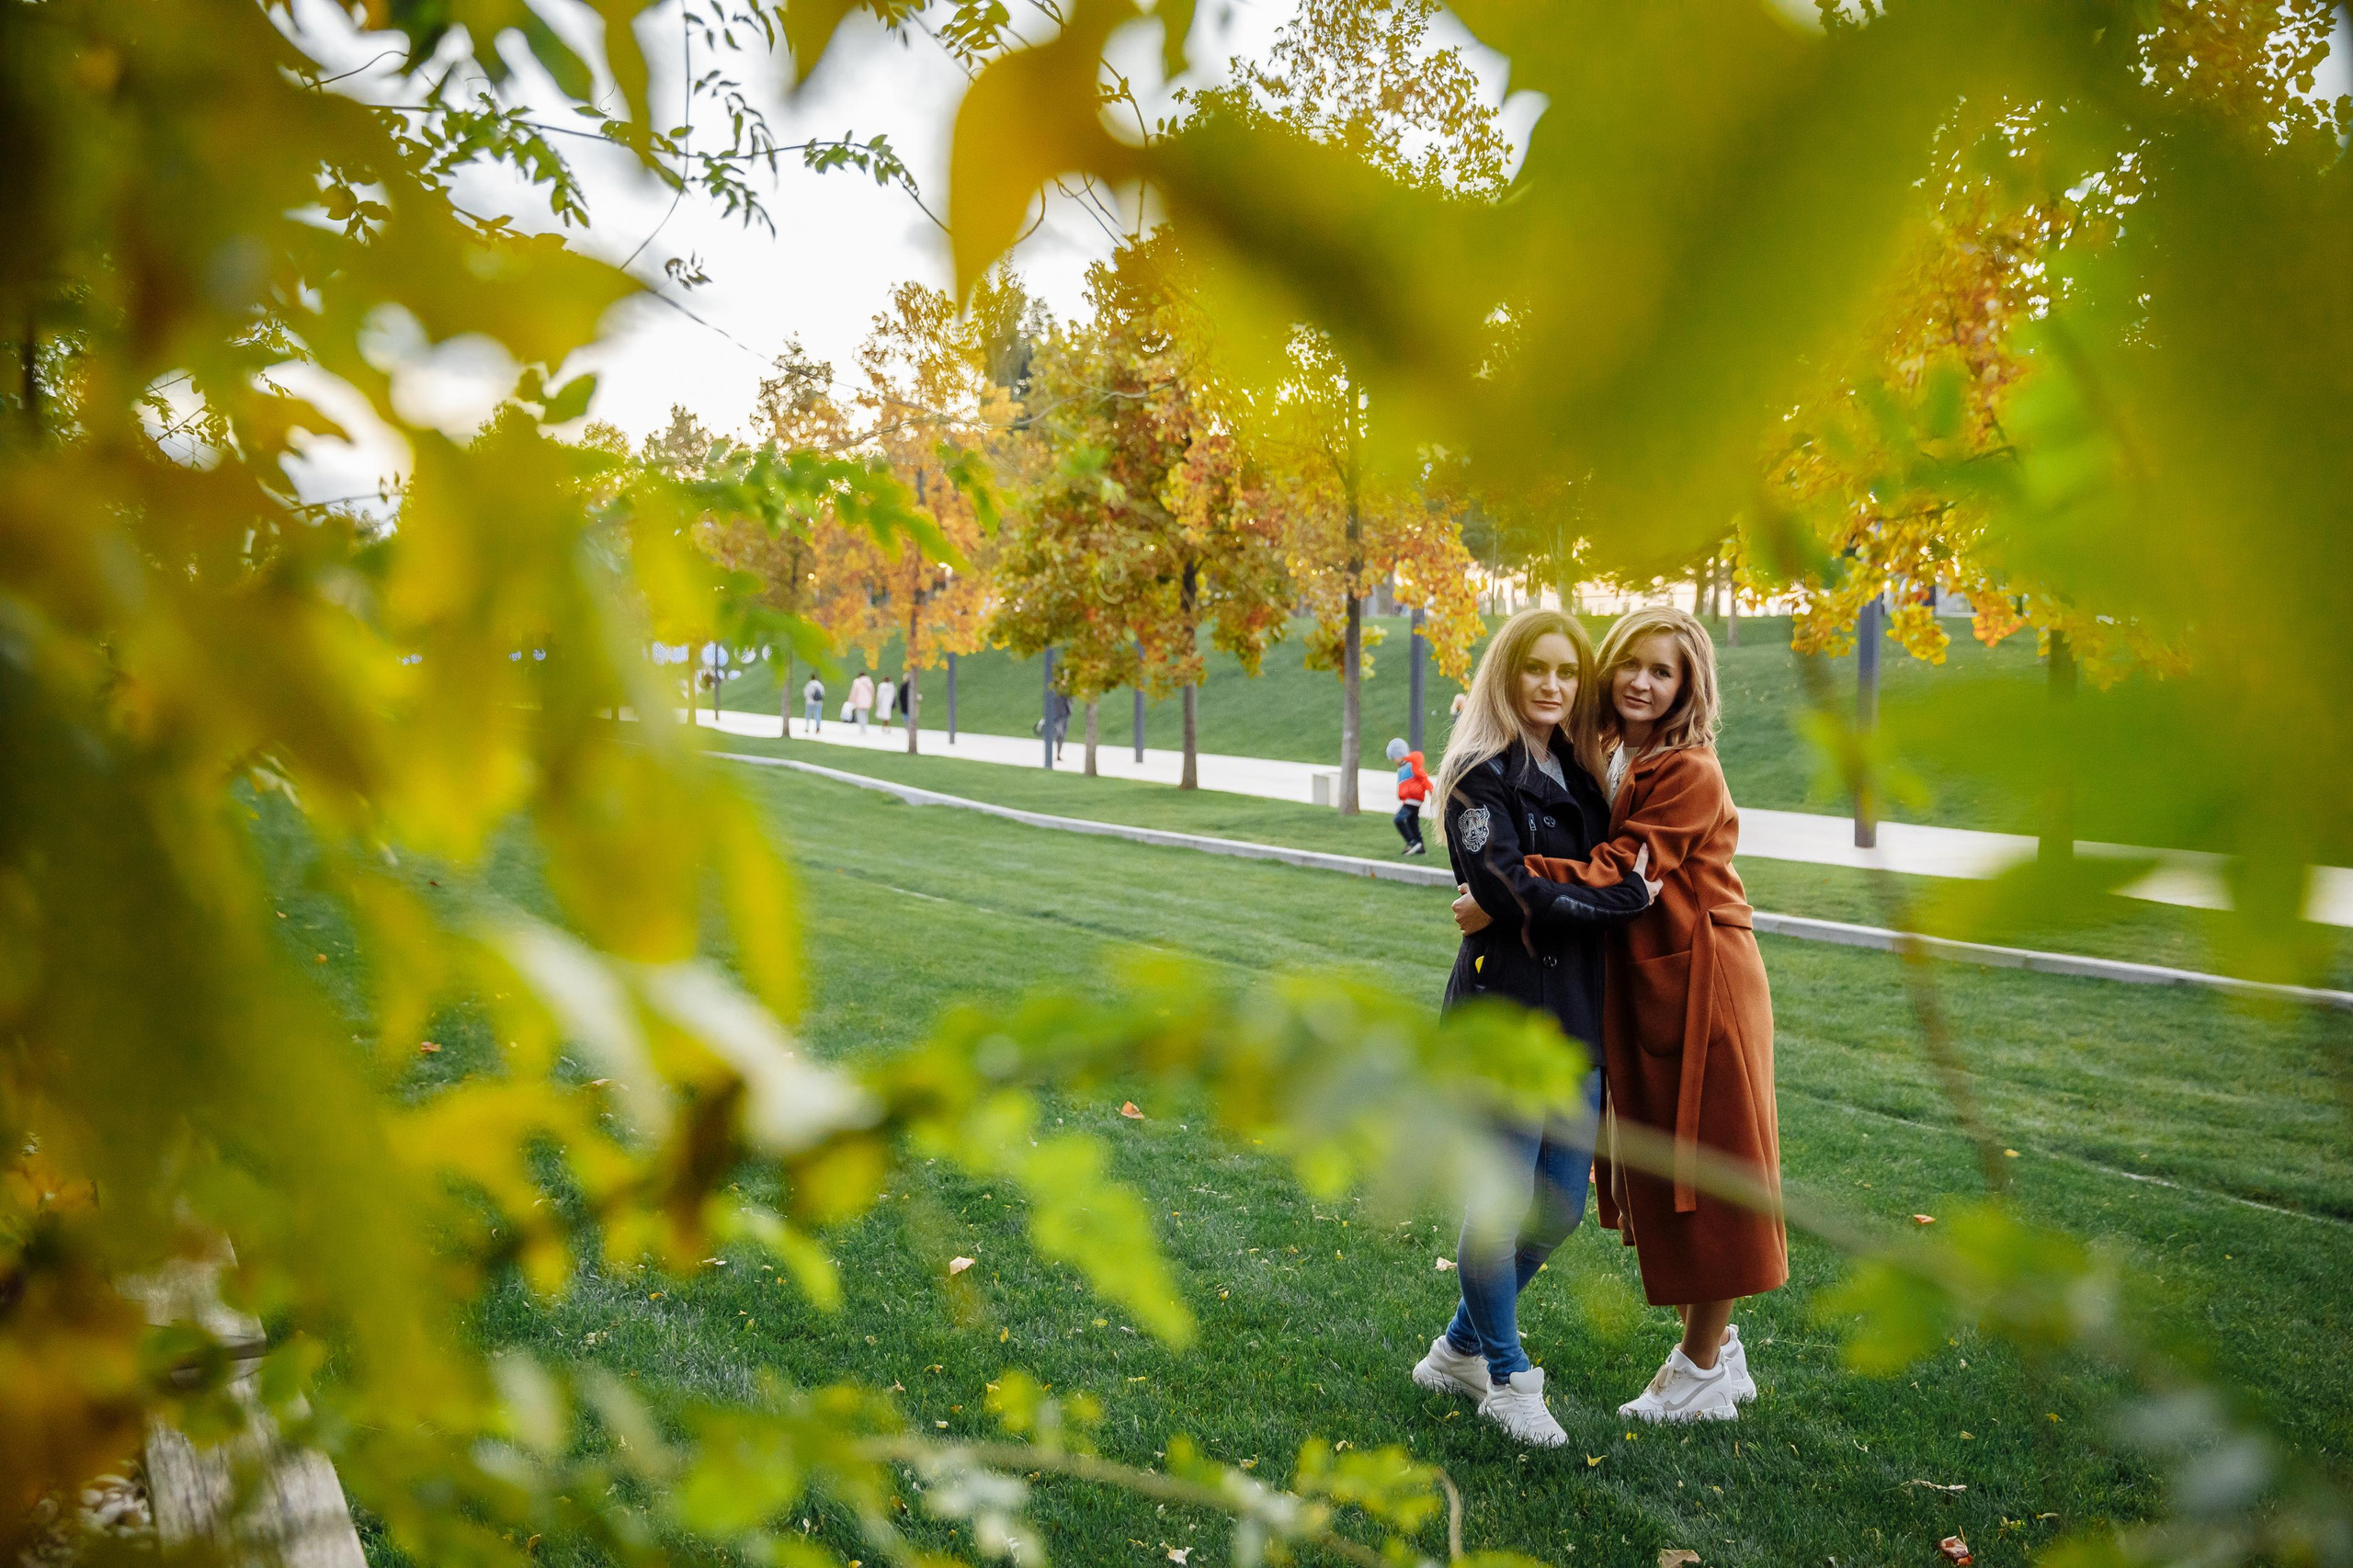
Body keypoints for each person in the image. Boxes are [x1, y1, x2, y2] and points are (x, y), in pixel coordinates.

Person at [1509, 606, 1788, 1425]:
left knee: (1711, 1171)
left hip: (1708, 987)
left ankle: (1700, 1373)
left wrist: (1503, 878)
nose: (1639, 679)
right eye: (1629, 661)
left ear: (1686, 686)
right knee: (1673, 1173)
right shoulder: (1626, 753)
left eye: (1661, 671)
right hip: (1659, 981)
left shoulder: (1688, 769)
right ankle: (1718, 1354)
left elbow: (1618, 868)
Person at [1409, 608, 1659, 1449]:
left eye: (1566, 672)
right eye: (1536, 670)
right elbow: (1514, 892)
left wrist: (1583, 892)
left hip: (1576, 1021)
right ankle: (1509, 1377)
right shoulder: (1481, 776)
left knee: (1556, 1210)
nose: (1553, 686)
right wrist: (1620, 899)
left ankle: (1456, 1350)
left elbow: (1563, 880)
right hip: (1504, 1017)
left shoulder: (1587, 777)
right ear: (1507, 676)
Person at [1386, 736, 1431, 856]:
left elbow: (1422, 777)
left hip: (1413, 799)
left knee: (1399, 819)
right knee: (1412, 823)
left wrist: (1430, 789)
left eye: (1394, 758)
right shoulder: (1403, 768)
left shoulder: (1412, 765)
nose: (1394, 761)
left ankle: (1412, 842)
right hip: (1410, 799)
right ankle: (1420, 848)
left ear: (1399, 755)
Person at [849, 669, 875, 734]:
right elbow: (872, 691)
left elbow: (854, 691)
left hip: (859, 700)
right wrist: (872, 699)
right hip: (867, 700)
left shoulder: (857, 682)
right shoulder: (869, 682)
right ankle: (864, 726)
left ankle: (862, 727)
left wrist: (851, 699)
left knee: (860, 714)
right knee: (865, 714)